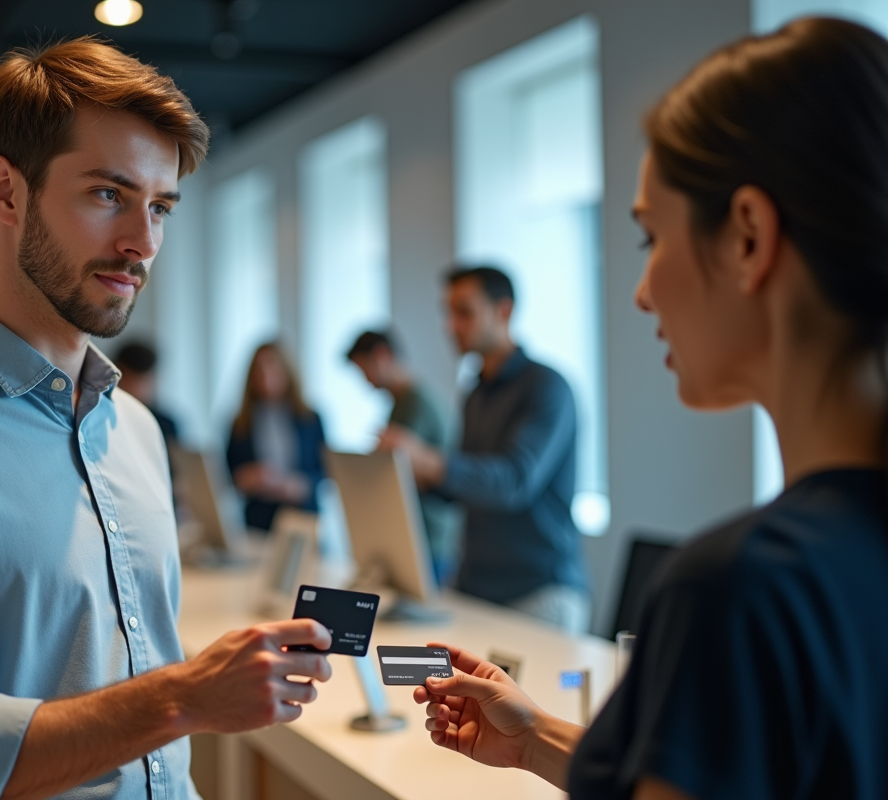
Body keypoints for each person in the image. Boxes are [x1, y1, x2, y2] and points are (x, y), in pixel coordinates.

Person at [0, 38, 333, 800]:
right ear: (6, 193)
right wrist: (180, 699)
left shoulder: (135, 430)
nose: (143, 243)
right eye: (109, 195)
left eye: (161, 207)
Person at [414, 17, 888, 800]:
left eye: (649, 239)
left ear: (747, 238)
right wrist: (534, 740)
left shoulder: (737, 590)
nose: (641, 293)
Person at [380, 266, 590, 632]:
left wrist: (429, 462)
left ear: (503, 311)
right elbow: (467, 485)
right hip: (476, 588)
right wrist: (413, 473)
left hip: (538, 593)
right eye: (448, 313)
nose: (451, 326)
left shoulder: (547, 387)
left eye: (464, 312)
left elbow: (514, 481)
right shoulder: (476, 392)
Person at [347, 329, 455, 583]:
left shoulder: (417, 405)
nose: (365, 381)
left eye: (364, 370)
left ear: (381, 356)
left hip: (428, 539)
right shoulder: (402, 403)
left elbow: (402, 471)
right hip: (418, 537)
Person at [226, 343, 327, 531]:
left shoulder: (310, 419)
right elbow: (227, 472)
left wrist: (300, 485)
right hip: (259, 520)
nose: (265, 373)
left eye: (271, 366)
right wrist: (246, 478)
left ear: (286, 371)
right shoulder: (240, 423)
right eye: (259, 368)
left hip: (302, 516)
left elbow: (325, 469)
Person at [115, 341, 179, 451]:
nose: (140, 388)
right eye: (133, 380)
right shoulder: (106, 417)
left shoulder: (165, 425)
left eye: (145, 380)